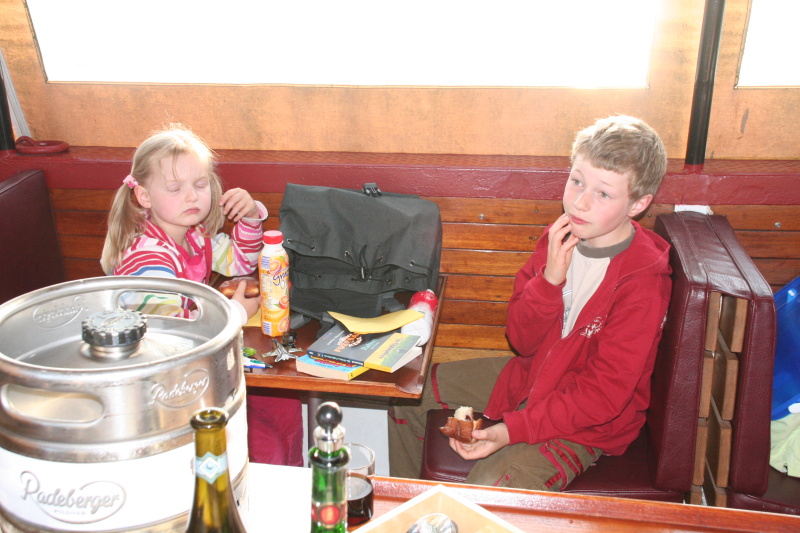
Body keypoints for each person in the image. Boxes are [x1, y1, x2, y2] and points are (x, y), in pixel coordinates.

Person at [389, 115, 672, 491]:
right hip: (534, 375)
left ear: (638, 204)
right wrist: (550, 281)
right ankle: (415, 510)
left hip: (586, 423)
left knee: (490, 485)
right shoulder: (558, 237)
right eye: (576, 181)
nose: (580, 202)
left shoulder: (643, 282)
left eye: (603, 194)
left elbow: (603, 397)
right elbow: (522, 341)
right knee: (407, 393)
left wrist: (510, 430)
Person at [101, 124, 303, 466]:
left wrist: (250, 216)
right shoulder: (147, 259)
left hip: (192, 371)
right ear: (144, 196)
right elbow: (171, 338)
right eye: (175, 188)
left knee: (284, 405)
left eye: (200, 184)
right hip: (157, 395)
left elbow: (241, 261)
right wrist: (235, 314)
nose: (192, 196)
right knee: (266, 446)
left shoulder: (194, 237)